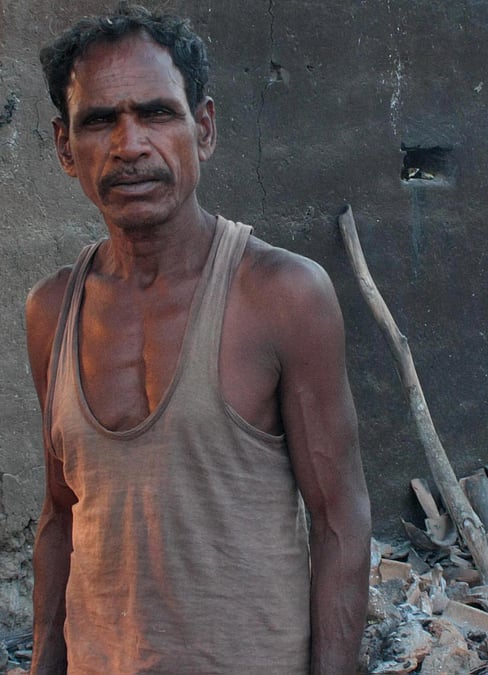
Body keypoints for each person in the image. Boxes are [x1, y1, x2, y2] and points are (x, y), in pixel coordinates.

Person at [24, 4, 372, 673]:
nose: (130, 145)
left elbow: (339, 521)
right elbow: (61, 515)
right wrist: (44, 660)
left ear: (202, 129)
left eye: (156, 113)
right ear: (66, 147)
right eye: (100, 120)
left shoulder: (281, 295)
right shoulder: (52, 311)